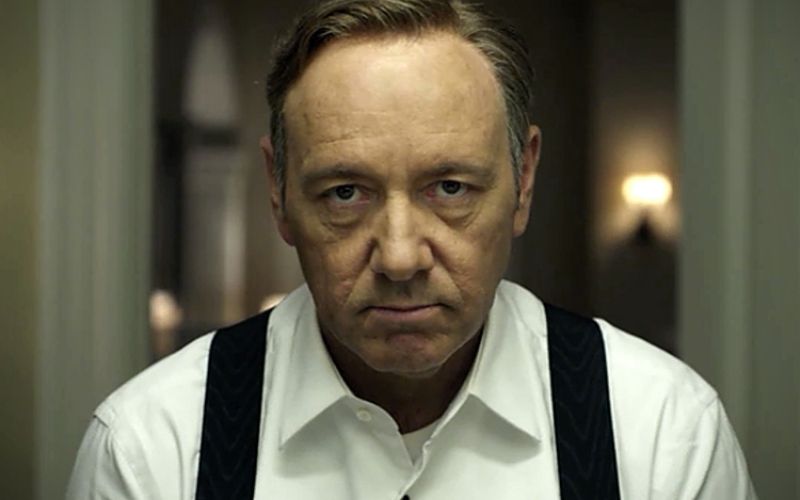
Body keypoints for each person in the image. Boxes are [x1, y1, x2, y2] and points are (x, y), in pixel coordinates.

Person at [67, 0, 758, 498]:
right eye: (345, 193)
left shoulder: (661, 432)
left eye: (450, 188)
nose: (399, 258)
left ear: (523, 182)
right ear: (277, 192)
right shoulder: (152, 450)